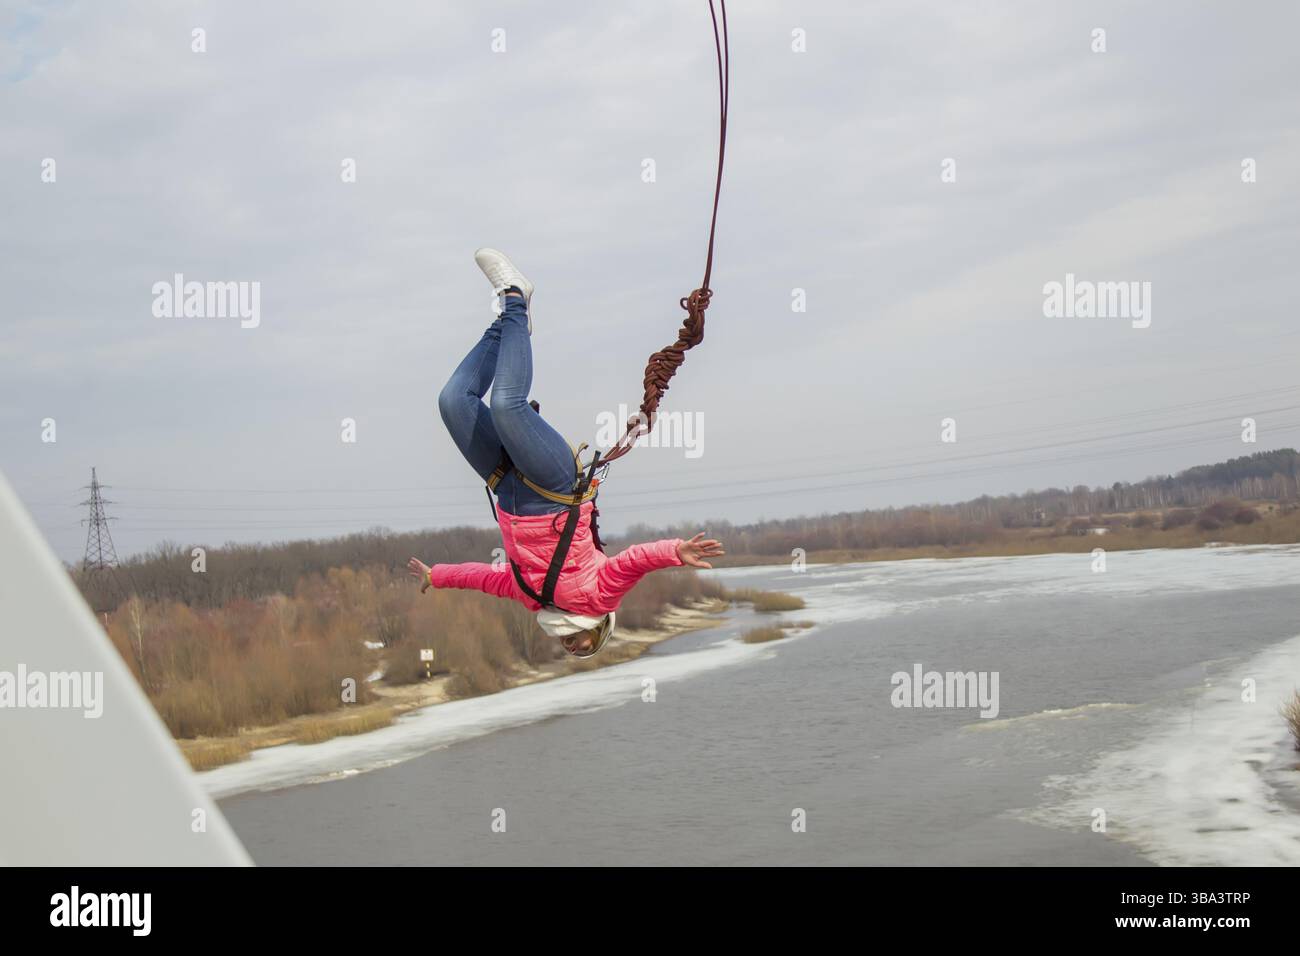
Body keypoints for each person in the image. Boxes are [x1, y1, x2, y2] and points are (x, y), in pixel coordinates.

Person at [408, 249, 725, 658]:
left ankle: (507, 326)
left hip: (506, 488)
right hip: (554, 488)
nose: (574, 646)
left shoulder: (531, 597)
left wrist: (438, 576)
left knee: (453, 401)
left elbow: (485, 579)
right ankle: (515, 299)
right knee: (507, 406)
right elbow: (631, 562)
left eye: (572, 649)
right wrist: (675, 553)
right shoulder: (599, 599)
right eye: (585, 646)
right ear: (599, 630)